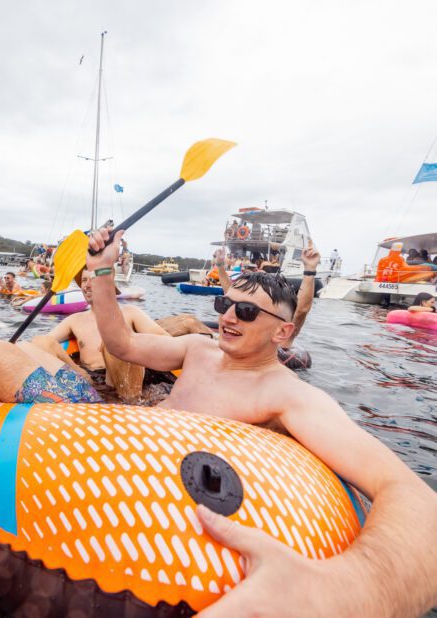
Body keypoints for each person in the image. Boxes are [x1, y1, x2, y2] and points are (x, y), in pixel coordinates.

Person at [85, 226, 437, 617]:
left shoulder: (287, 396)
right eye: (225, 305)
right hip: (132, 472)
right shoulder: (196, 349)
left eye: (247, 311)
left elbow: (416, 500)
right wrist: (102, 272)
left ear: (283, 332)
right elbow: (123, 344)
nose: (230, 316)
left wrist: (344, 592)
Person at [45, 268, 211, 401]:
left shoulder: (130, 312)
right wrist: (76, 372)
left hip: (128, 377)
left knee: (114, 343)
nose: (87, 285)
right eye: (83, 280)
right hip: (94, 379)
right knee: (41, 342)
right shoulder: (74, 320)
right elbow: (45, 342)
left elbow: (165, 341)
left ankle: (133, 405)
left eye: (92, 280)